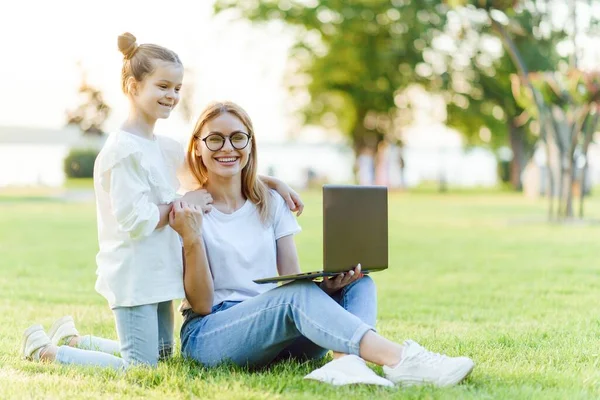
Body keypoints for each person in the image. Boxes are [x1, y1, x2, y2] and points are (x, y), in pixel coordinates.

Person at [20, 34, 302, 370]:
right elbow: (136, 220)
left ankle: (76, 340)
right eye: (163, 86)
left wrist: (272, 182)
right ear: (133, 86)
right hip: (134, 275)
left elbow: (210, 172)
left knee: (164, 357)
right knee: (141, 367)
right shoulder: (122, 151)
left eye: (177, 88)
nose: (172, 96)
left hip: (160, 273)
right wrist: (183, 207)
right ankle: (47, 351)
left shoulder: (164, 147)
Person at [174, 101, 475, 387]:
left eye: (238, 138)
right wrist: (192, 236)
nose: (228, 147)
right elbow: (201, 305)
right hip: (211, 333)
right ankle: (402, 360)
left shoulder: (271, 202)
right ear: (197, 147)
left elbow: (290, 281)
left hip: (273, 331)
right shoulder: (190, 209)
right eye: (215, 139)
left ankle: (347, 363)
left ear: (250, 145)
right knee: (293, 298)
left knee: (359, 283)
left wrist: (330, 287)